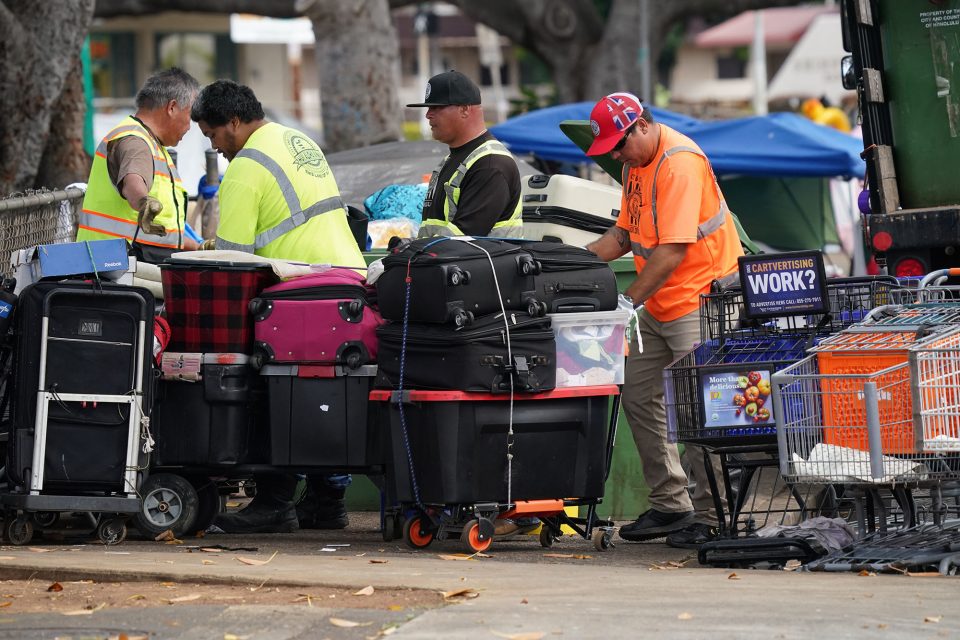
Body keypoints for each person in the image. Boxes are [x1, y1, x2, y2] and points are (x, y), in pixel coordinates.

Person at [191, 79, 363, 534]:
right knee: (325, 395)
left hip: (302, 291)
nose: (215, 146)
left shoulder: (246, 167)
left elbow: (232, 260)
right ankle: (328, 502)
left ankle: (274, 502)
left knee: (276, 391)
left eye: (213, 134)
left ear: (233, 122)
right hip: (345, 279)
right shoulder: (295, 138)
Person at [584, 92, 743, 549]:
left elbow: (672, 250)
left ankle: (713, 517)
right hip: (661, 301)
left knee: (701, 411)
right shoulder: (637, 166)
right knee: (637, 393)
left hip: (700, 299)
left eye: (619, 145)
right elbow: (623, 236)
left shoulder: (678, 162)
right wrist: (570, 260)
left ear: (642, 126)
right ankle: (672, 504)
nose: (616, 156)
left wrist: (628, 301)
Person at [78, 67, 200, 262]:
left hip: (114, 263)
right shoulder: (136, 141)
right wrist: (144, 202)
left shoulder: (149, 142)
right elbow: (133, 181)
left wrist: (197, 246)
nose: (189, 126)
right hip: (118, 269)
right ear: (172, 107)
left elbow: (155, 232)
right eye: (190, 114)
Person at [407, 70, 523, 239]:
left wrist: (413, 251)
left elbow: (463, 238)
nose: (428, 114)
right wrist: (408, 245)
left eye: (437, 107)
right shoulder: (451, 161)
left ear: (465, 109)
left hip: (478, 265)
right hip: (440, 263)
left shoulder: (491, 163)